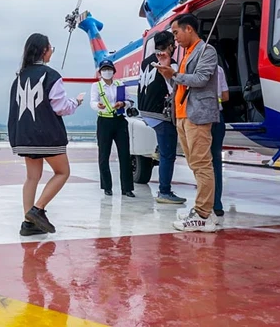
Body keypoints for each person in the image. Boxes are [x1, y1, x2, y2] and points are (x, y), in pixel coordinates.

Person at [8, 34, 83, 237]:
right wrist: (76, 102)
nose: (51, 52)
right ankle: (37, 210)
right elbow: (60, 107)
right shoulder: (51, 75)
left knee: (32, 177)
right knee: (62, 172)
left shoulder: (19, 77)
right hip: (47, 135)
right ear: (44, 50)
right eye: (51, 48)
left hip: (24, 135)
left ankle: (27, 223)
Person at [157, 13, 221, 233]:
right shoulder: (186, 55)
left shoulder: (207, 51)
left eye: (176, 33)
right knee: (196, 164)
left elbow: (201, 79)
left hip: (198, 116)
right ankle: (205, 210)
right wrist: (169, 73)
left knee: (202, 164)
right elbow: (180, 85)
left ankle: (203, 214)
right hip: (183, 116)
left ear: (189, 29)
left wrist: (174, 74)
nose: (175, 39)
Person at [137, 31, 187, 205]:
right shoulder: (169, 63)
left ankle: (158, 147)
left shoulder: (146, 61)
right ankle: (164, 191)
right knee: (168, 155)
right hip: (161, 114)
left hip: (146, 112)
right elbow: (174, 88)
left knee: (164, 147)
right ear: (171, 45)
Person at [89, 59, 134, 197]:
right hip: (104, 121)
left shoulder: (120, 84)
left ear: (113, 71)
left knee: (125, 155)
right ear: (100, 72)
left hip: (119, 121)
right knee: (104, 155)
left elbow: (130, 101)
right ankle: (107, 186)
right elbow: (93, 101)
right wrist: (98, 106)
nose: (107, 72)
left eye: (109, 69)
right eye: (104, 69)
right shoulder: (96, 86)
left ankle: (127, 188)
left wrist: (123, 104)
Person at [211, 64, 230, 223]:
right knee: (216, 161)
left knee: (201, 162)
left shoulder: (191, 66)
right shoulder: (219, 69)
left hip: (201, 119)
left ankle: (203, 203)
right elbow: (225, 96)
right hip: (218, 116)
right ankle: (216, 203)